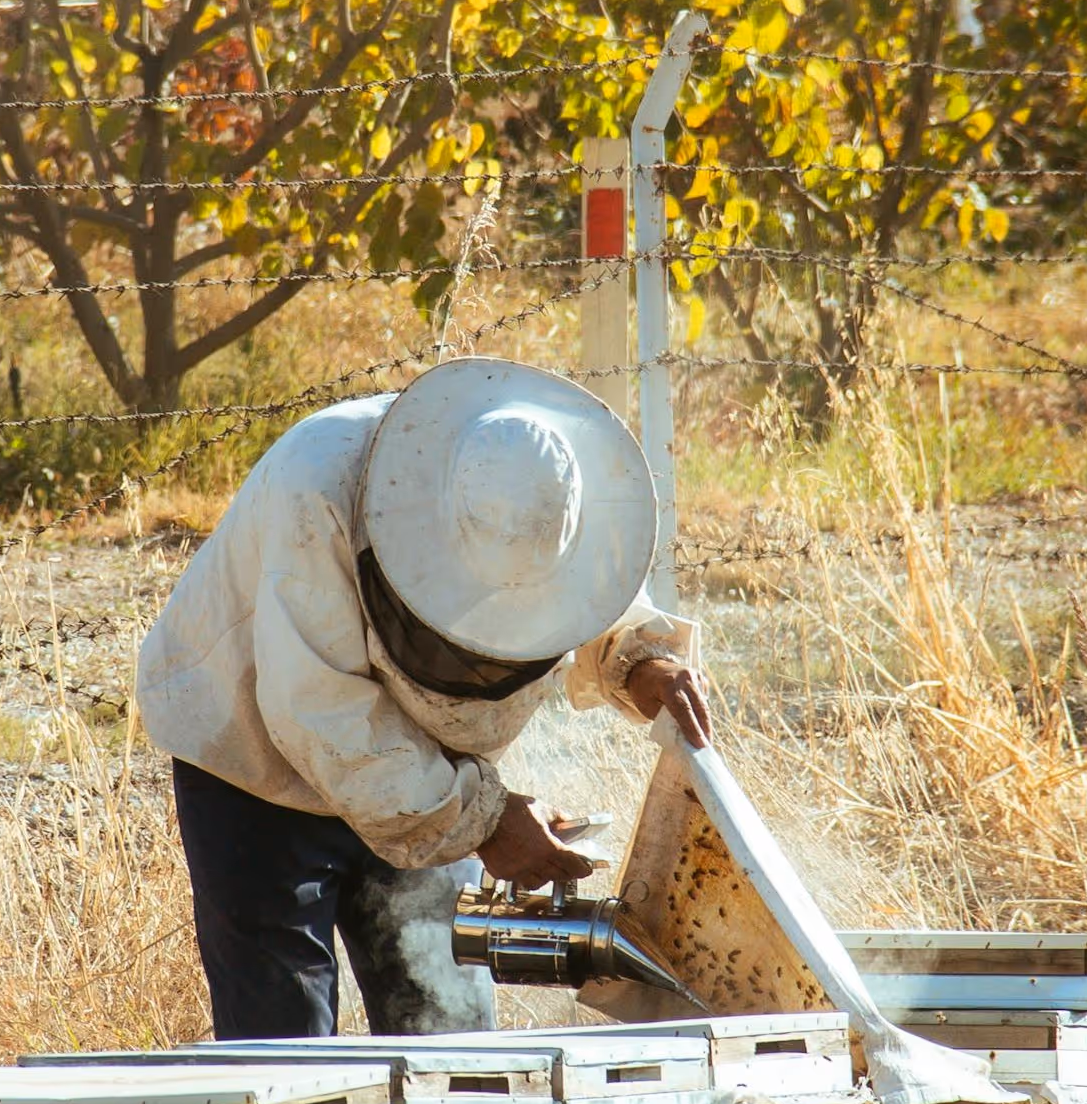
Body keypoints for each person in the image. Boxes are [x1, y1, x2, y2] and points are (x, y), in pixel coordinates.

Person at [137, 356, 710, 1039]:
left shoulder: (535, 479)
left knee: (450, 1034)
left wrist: (634, 655)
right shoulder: (317, 485)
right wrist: (489, 821)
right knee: (285, 1042)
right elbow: (320, 713)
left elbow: (571, 578)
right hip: (255, 761)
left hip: (425, 768)